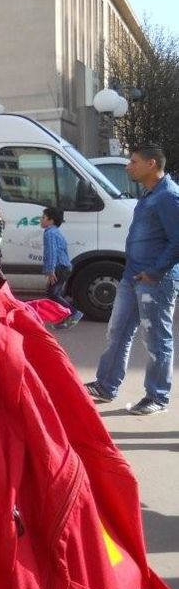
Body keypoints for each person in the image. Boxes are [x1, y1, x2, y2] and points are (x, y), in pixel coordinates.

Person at [86, 146, 179, 416]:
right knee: (117, 332)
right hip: (132, 277)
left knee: (156, 341)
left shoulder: (168, 197)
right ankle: (106, 386)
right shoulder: (150, 195)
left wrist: (156, 271)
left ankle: (157, 396)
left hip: (155, 282)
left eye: (133, 162)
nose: (128, 166)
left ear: (152, 164)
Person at [40, 207, 83, 329]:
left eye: (43, 218)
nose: (41, 220)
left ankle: (74, 313)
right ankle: (64, 318)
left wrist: (50, 270)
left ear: (51, 220)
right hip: (64, 266)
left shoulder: (50, 233)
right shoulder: (55, 232)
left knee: (52, 293)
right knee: (54, 293)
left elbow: (52, 252)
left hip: (60, 267)